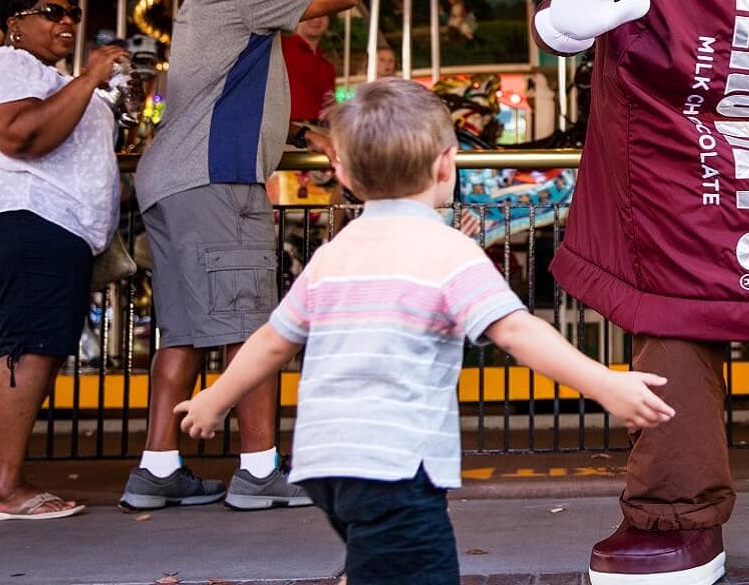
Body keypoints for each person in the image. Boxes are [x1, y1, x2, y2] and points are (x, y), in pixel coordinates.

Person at [173, 79, 674, 583]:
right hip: (395, 463)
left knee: (379, 562)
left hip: (324, 460)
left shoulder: (334, 254)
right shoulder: (447, 252)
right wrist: (606, 384)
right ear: (446, 163)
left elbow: (272, 341)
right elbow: (518, 332)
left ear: (342, 173)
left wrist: (215, 398)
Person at [122, 0, 404, 511]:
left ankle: (159, 466)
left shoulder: (213, 11)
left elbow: (228, 98)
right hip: (216, 183)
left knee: (185, 331)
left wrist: (305, 134)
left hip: (172, 184)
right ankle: (257, 471)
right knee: (254, 329)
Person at [0, 0, 130, 520]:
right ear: (15, 21)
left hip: (37, 220)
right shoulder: (6, 64)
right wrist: (92, 76)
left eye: (72, 11)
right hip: (26, 215)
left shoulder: (42, 75)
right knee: (34, 346)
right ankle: (3, 487)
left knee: (14, 347)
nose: (67, 21)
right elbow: (19, 134)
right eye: (52, 11)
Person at [281, 15, 336, 126]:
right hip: (290, 131)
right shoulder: (281, 47)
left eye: (324, 14)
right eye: (312, 14)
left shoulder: (327, 66)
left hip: (323, 131)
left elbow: (329, 105)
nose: (316, 19)